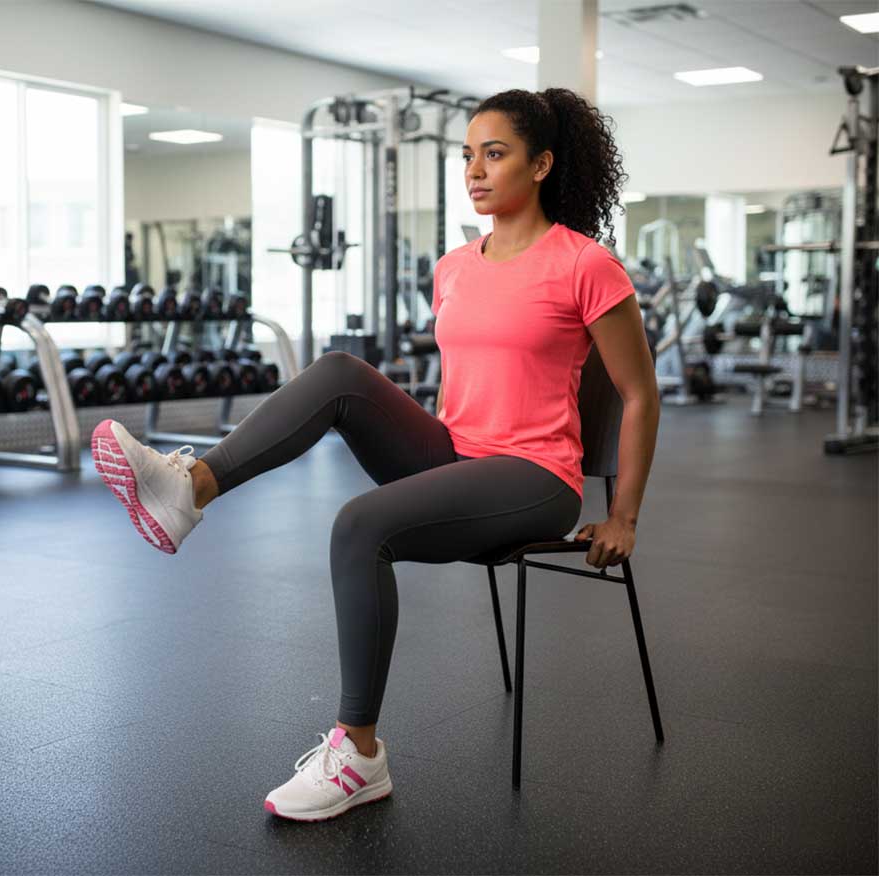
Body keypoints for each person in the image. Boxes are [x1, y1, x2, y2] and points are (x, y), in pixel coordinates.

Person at [91, 87, 660, 822]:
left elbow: (640, 395)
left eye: (495, 154)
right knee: (336, 372)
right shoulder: (454, 267)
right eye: (467, 156)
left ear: (543, 164)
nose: (475, 171)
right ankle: (190, 487)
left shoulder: (586, 266)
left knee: (359, 525)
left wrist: (625, 516)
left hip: (534, 477)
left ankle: (359, 754)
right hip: (457, 453)